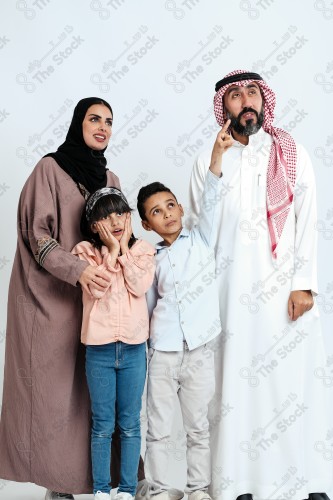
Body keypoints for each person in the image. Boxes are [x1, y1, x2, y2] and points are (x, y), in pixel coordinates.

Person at [189, 70, 332, 500]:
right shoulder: (208, 159)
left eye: (252, 92)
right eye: (235, 96)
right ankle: (241, 484)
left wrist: (304, 283)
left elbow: (309, 220)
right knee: (238, 390)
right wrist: (216, 161)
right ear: (224, 107)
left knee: (293, 387)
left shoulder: (291, 152)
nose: (245, 101)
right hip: (231, 294)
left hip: (287, 292)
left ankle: (306, 484)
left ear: (264, 100)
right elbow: (202, 230)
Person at [0, 98, 146, 500]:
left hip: (101, 303)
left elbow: (120, 231)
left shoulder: (110, 177)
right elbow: (37, 235)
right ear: (77, 124)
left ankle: (110, 484)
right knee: (54, 393)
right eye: (93, 119)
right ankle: (57, 485)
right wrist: (78, 270)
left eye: (109, 122)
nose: (102, 127)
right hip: (52, 299)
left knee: (98, 399)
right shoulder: (50, 168)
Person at [137, 140, 225, 500]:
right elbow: (148, 305)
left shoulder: (202, 238)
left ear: (180, 206)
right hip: (163, 352)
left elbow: (213, 199)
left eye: (170, 205)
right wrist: (147, 347)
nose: (168, 214)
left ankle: (198, 489)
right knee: (157, 429)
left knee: (198, 428)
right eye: (157, 212)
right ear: (147, 223)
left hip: (200, 350)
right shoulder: (150, 259)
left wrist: (218, 155)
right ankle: (157, 490)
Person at [72, 187, 155, 500]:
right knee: (102, 425)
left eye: (120, 212)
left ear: (129, 216)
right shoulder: (84, 252)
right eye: (105, 215)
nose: (115, 220)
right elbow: (96, 289)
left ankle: (128, 490)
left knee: (130, 424)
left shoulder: (144, 250)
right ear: (94, 224)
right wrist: (110, 251)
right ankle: (101, 490)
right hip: (99, 350)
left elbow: (139, 285)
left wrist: (123, 250)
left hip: (134, 350)